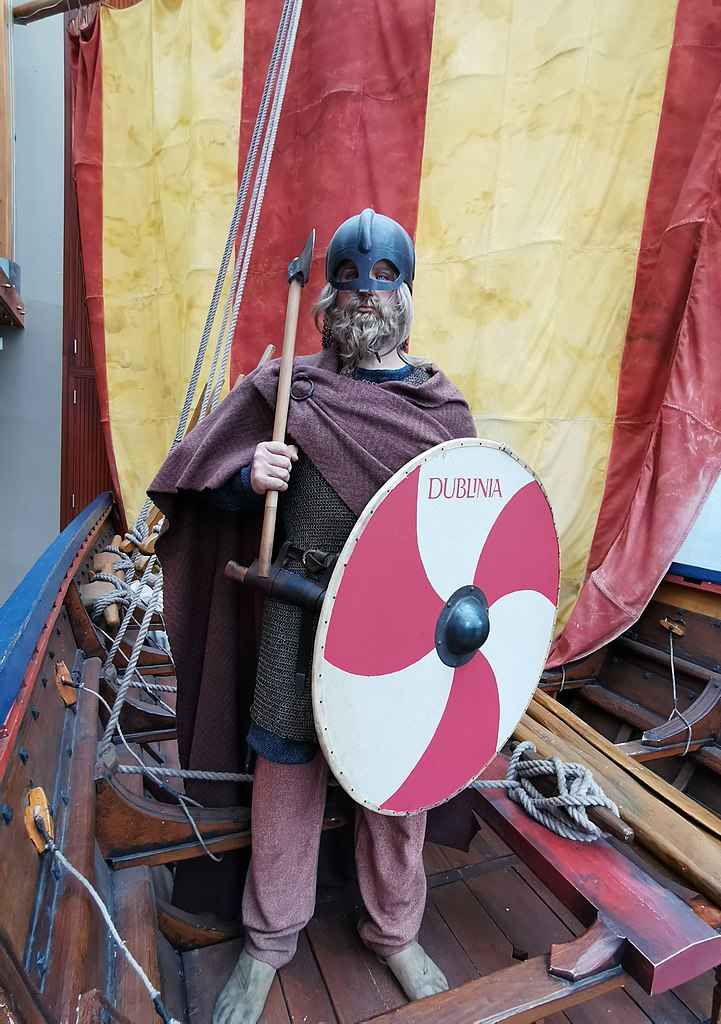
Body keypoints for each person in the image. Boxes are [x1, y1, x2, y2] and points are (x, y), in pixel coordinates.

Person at [150, 210, 476, 1024]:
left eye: (384, 283)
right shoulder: (291, 388)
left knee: (395, 788)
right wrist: (244, 478)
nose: (367, 298)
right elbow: (196, 482)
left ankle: (395, 929)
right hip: (299, 618)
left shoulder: (439, 411)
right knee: (285, 784)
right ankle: (267, 945)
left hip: (400, 627)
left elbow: (474, 531)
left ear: (405, 295)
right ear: (326, 295)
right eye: (352, 283)